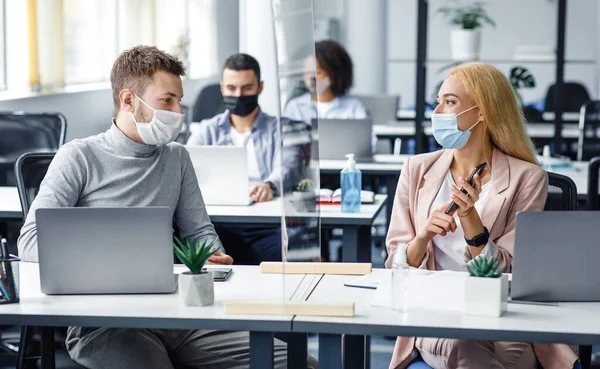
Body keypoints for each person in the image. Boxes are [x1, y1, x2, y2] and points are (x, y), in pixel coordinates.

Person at [18, 46, 288, 369]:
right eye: (167, 101)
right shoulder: (78, 157)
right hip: (104, 324)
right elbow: (30, 241)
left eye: (179, 101)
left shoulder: (177, 158)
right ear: (128, 100)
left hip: (178, 314)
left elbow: (200, 232)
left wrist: (211, 256)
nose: (178, 111)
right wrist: (116, 257)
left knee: (295, 361)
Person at [385, 62, 578, 369]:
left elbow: (513, 273)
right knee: (465, 345)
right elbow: (396, 261)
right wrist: (422, 237)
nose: (437, 112)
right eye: (438, 101)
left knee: (475, 349)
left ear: (483, 111)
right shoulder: (417, 169)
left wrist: (470, 220)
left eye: (449, 102)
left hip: (502, 319)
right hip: (436, 315)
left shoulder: (528, 178)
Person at [187, 53, 304, 265]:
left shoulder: (283, 128)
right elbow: (187, 168)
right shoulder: (206, 130)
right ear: (222, 88)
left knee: (283, 252)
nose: (239, 95)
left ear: (260, 87)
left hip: (267, 226)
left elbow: (288, 165)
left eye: (247, 88)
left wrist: (270, 185)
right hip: (219, 224)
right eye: (231, 88)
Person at [283, 39, 368, 124]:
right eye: (307, 72)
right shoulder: (295, 108)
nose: (310, 78)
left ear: (334, 74)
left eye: (317, 72)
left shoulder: (354, 108)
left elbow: (367, 137)